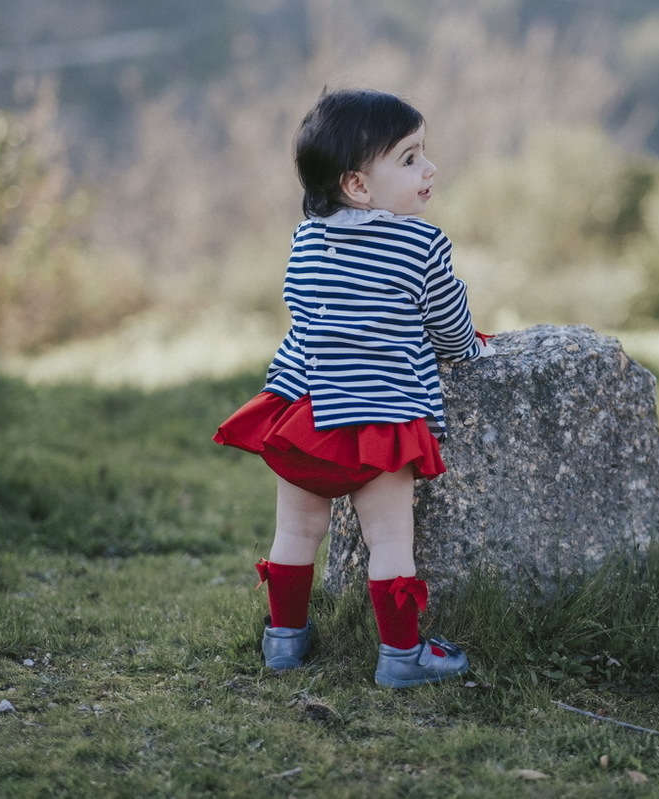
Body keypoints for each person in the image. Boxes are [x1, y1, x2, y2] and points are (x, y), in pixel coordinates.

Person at [213, 88, 492, 689]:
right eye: (410, 158)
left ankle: (284, 641)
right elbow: (449, 327)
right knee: (389, 539)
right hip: (377, 419)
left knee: (295, 532)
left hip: (303, 413)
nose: (429, 168)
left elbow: (305, 310)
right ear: (358, 185)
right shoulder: (422, 244)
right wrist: (472, 348)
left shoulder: (306, 239)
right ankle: (402, 654)